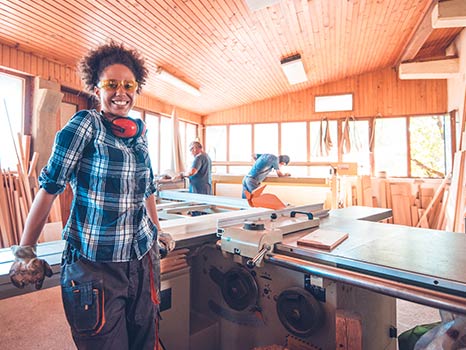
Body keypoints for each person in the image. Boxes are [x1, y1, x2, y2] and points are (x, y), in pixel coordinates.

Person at [9, 41, 172, 349]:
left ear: (137, 89)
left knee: (145, 342)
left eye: (128, 85)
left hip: (141, 260)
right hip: (95, 265)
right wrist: (25, 251)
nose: (120, 92)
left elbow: (147, 188)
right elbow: (50, 186)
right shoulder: (85, 125)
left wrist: (158, 232)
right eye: (111, 84)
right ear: (97, 88)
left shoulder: (140, 133)